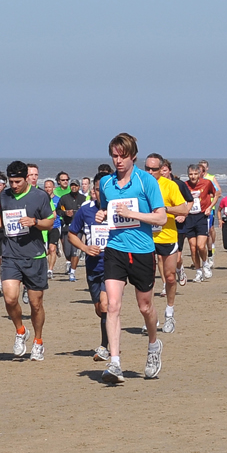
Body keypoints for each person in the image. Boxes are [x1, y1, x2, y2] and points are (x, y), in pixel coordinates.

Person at [96, 133, 167, 383]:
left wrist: (134, 214)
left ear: (133, 156)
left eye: (122, 156)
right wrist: (102, 215)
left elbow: (161, 217)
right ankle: (115, 363)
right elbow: (107, 209)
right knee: (112, 306)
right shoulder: (106, 184)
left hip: (142, 251)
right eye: (114, 156)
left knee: (145, 307)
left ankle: (153, 345)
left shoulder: (146, 181)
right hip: (115, 249)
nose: (118, 161)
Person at [0, 160, 54, 361]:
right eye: (11, 182)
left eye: (18, 182)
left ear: (27, 178)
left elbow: (50, 222)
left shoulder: (40, 196)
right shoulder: (5, 196)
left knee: (35, 304)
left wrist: (34, 222)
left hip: (34, 256)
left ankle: (38, 341)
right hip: (10, 255)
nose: (14, 186)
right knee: (9, 297)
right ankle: (20, 330)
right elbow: (3, 219)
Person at [64, 183, 112, 362]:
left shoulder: (118, 210)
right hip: (93, 266)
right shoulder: (85, 211)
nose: (101, 194)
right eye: (98, 190)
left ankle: (105, 347)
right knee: (100, 309)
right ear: (94, 191)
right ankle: (110, 334)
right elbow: (71, 234)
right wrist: (85, 247)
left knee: (107, 306)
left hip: (113, 265)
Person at [145, 155, 190, 330]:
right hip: (146, 237)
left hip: (168, 236)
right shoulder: (141, 185)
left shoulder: (170, 186)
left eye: (154, 169)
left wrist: (165, 209)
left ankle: (169, 313)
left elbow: (184, 209)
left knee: (170, 277)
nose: (150, 172)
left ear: (161, 169)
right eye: (147, 168)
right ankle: (151, 316)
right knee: (146, 280)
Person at [182, 162, 216, 281]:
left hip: (202, 216)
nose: (193, 176)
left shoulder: (206, 183)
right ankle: (198, 271)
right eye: (191, 174)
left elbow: (216, 194)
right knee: (192, 247)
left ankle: (205, 263)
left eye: (195, 174)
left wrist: (210, 207)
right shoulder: (184, 185)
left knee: (201, 246)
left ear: (200, 174)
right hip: (189, 218)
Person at [52, 172, 87, 282]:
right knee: (67, 252)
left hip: (79, 228)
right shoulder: (64, 198)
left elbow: (88, 211)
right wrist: (65, 213)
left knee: (75, 251)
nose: (74, 187)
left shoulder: (83, 199)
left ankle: (72, 272)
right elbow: (58, 210)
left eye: (76, 185)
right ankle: (69, 263)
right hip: (66, 227)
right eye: (72, 185)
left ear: (79, 187)